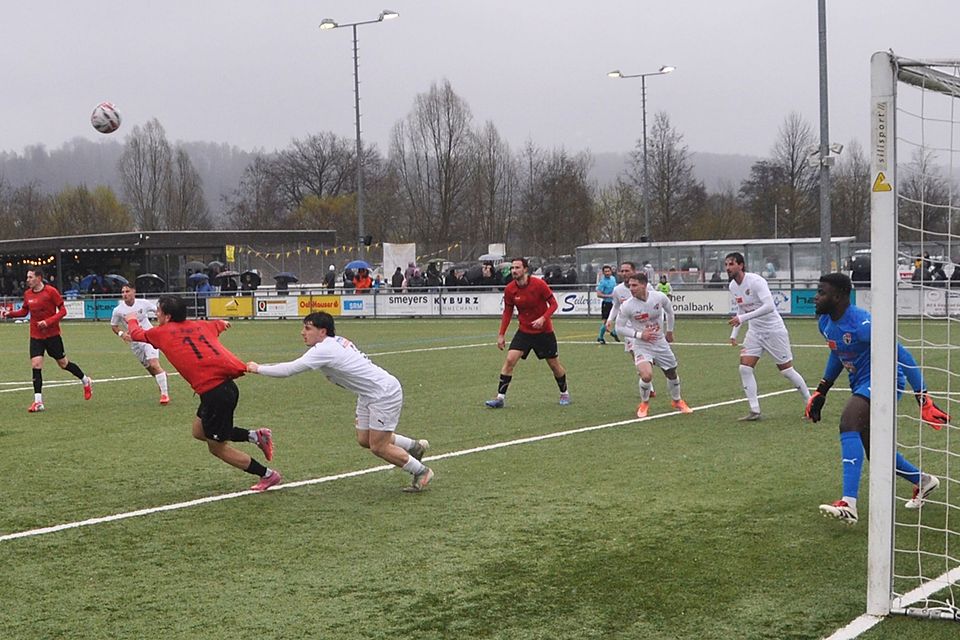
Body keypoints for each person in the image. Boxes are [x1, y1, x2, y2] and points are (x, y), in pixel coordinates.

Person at [806, 273, 949, 525]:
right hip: (861, 383)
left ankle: (848, 503)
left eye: (821, 292)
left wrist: (923, 396)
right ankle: (923, 481)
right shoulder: (825, 322)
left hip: (887, 379)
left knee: (848, 421)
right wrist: (822, 389)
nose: (815, 297)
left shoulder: (863, 324)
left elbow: (901, 354)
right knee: (876, 450)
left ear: (838, 296)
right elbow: (836, 350)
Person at [246, 312, 434, 492]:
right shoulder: (332, 342)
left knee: (379, 446)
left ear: (323, 331)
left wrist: (258, 369)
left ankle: (421, 472)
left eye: (307, 328)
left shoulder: (325, 349)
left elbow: (289, 369)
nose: (303, 333)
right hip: (368, 393)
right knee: (364, 440)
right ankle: (413, 446)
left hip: (383, 393)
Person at [124, 295, 279, 492]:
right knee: (199, 432)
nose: (156, 313)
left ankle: (267, 475)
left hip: (216, 395)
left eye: (159, 310)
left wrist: (130, 318)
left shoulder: (161, 333)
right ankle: (256, 436)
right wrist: (222, 324)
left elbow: (137, 333)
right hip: (221, 390)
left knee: (216, 447)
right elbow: (216, 325)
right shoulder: (200, 325)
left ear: (168, 316)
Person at [725, 252, 810, 421]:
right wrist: (735, 333)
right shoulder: (733, 286)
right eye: (726, 265)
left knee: (786, 370)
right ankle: (754, 411)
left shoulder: (756, 282)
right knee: (745, 368)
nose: (728, 268)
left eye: (731, 264)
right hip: (755, 332)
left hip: (774, 330)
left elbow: (770, 306)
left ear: (741, 265)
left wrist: (742, 318)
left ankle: (811, 404)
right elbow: (741, 308)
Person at [0, 266, 93, 412]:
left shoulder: (51, 292)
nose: (27, 280)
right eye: (27, 277)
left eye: (30, 277)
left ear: (38, 278)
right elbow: (24, 311)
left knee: (63, 364)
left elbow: (63, 311)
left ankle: (85, 380)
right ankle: (38, 402)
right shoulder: (28, 294)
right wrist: (9, 314)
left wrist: (48, 322)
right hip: (36, 336)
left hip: (52, 335)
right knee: (36, 364)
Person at [485, 257, 570, 408]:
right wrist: (501, 334)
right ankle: (500, 398)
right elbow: (508, 312)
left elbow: (554, 304)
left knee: (554, 365)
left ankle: (564, 393)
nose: (514, 271)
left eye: (517, 268)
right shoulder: (510, 289)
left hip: (544, 332)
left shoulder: (539, 284)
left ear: (525, 269)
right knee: (510, 360)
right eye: (512, 268)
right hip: (524, 331)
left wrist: (543, 318)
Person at [615, 273, 693, 418]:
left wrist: (670, 331)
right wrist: (639, 335)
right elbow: (619, 328)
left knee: (671, 373)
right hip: (641, 345)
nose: (631, 288)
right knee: (646, 375)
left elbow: (670, 312)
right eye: (630, 285)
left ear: (644, 285)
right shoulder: (627, 305)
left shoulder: (659, 297)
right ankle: (644, 404)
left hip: (660, 343)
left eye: (634, 285)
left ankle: (677, 401)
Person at [110, 283, 171, 405]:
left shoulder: (143, 303)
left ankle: (164, 394)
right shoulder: (118, 310)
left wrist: (163, 324)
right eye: (123, 292)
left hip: (149, 337)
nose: (124, 294)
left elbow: (159, 312)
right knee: (149, 367)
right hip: (135, 341)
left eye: (127, 291)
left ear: (134, 291)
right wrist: (122, 334)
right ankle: (162, 377)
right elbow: (114, 326)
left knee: (154, 363)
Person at [595, 265, 617, 344]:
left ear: (611, 271)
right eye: (606, 271)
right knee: (606, 321)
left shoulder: (613, 279)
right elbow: (598, 294)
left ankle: (614, 332)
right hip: (607, 303)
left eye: (608, 271)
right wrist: (609, 296)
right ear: (603, 273)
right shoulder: (602, 282)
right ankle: (600, 337)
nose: (607, 273)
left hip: (615, 303)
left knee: (621, 318)